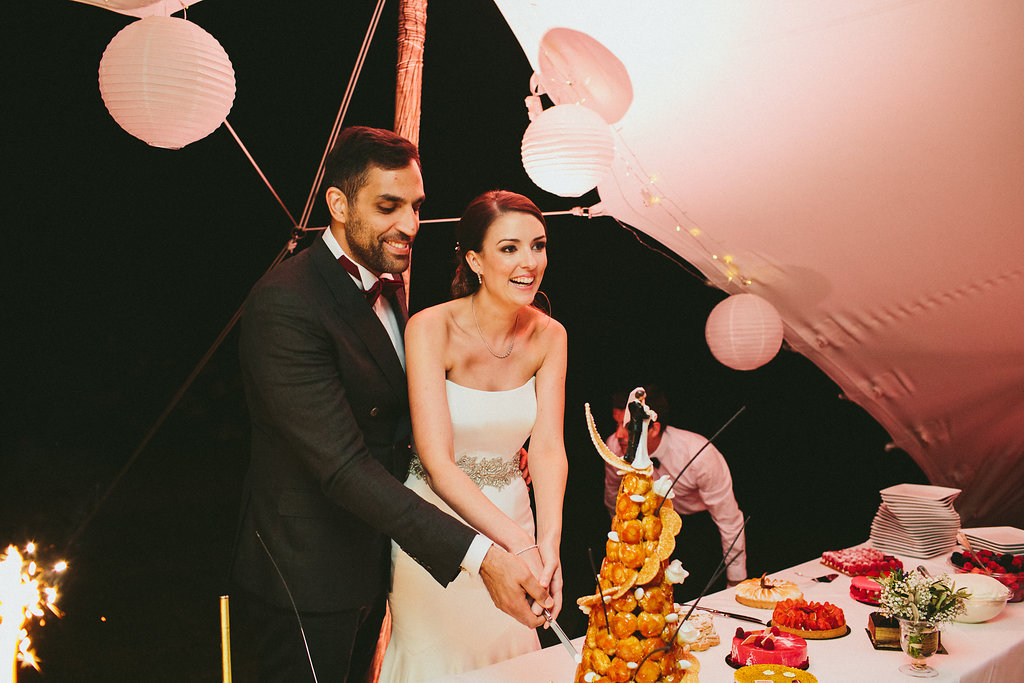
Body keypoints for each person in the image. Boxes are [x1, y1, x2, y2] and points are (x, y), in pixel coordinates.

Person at [229, 128, 551, 683]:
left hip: (378, 561)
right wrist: (482, 556)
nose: (410, 224)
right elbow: (343, 467)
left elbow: (395, 415)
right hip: (306, 575)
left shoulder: (389, 283)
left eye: (416, 206)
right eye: (388, 206)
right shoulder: (286, 301)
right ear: (338, 204)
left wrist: (487, 447)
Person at [379, 190, 568, 681]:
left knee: (514, 659)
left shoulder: (550, 336)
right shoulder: (430, 327)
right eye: (509, 248)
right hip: (437, 531)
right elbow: (437, 463)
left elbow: (548, 449)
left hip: (516, 512)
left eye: (538, 245)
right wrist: (518, 545)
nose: (529, 262)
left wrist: (548, 544)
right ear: (475, 260)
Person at [603, 386, 748, 593]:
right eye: (617, 424)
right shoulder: (614, 448)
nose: (618, 434)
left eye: (627, 427)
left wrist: (736, 580)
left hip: (697, 527)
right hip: (648, 530)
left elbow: (729, 521)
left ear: (653, 428)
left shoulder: (700, 455)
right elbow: (613, 496)